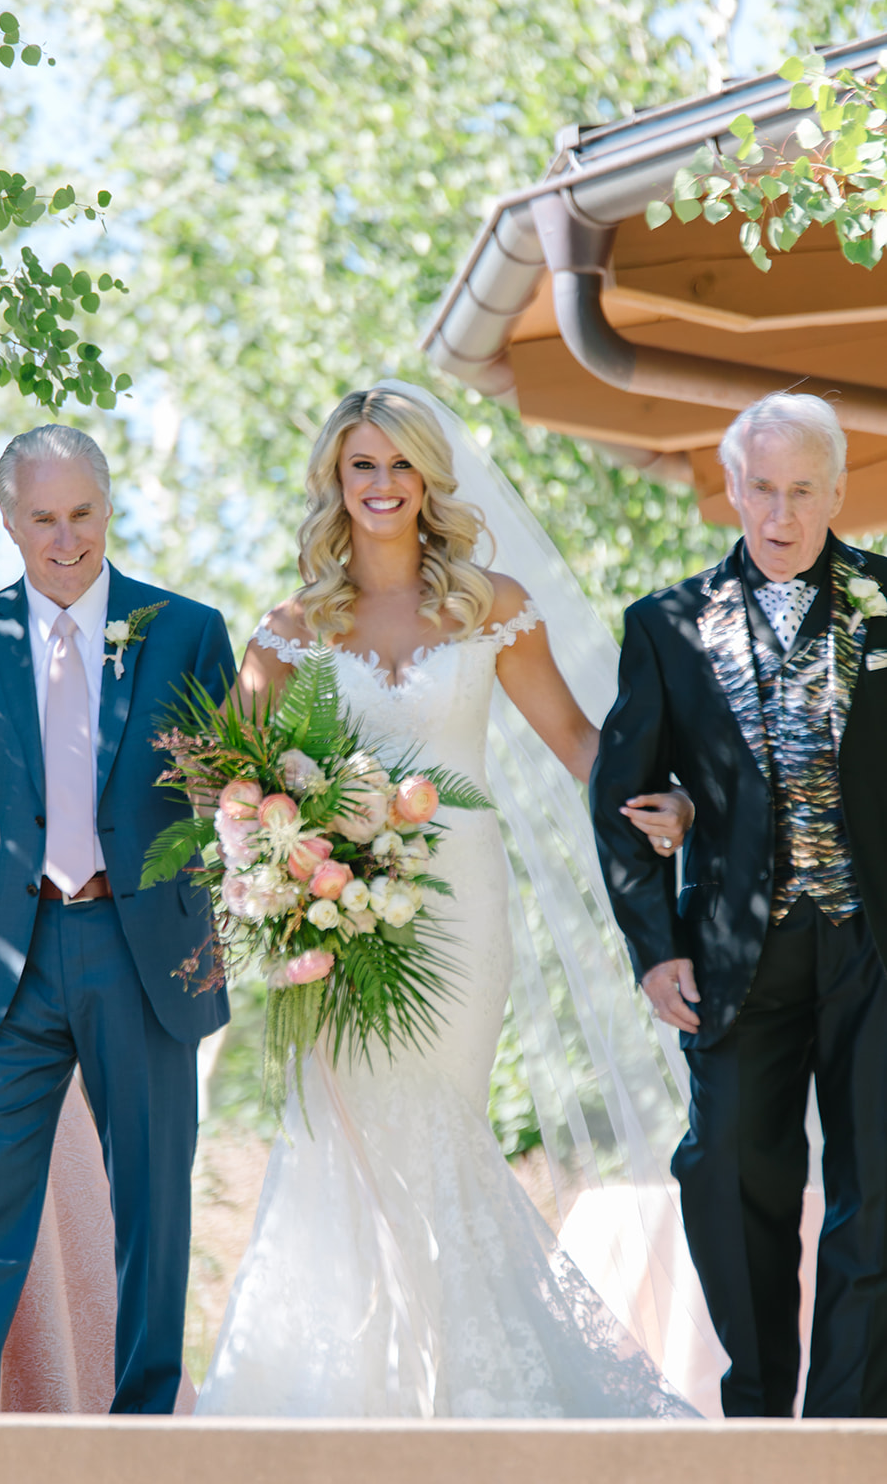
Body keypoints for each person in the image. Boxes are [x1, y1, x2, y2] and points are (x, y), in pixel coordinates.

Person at [194, 383, 696, 1419]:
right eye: (360, 466)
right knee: (338, 1139)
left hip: (458, 913)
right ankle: (356, 1391)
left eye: (398, 465)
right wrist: (269, 860)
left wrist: (661, 802)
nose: (380, 486)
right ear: (336, 482)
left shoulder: (489, 606)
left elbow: (575, 743)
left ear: (427, 479)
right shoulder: (290, 629)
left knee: (437, 1128)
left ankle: (457, 1388)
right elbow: (222, 781)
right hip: (331, 915)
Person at [0, 423, 234, 1413]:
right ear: (9, 520)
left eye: (82, 512)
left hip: (150, 953)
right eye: (43, 516)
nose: (66, 536)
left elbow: (233, 803)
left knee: (154, 1205)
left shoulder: (185, 629)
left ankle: (146, 1425)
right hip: (11, 955)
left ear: (108, 509)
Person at [591, 392, 887, 1419]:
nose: (779, 511)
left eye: (801, 489)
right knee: (722, 1171)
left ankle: (846, 1431)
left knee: (878, 1191)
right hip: (730, 946)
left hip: (871, 944)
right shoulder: (662, 625)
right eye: (760, 487)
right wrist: (651, 945)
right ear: (730, 487)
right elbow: (623, 799)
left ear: (836, 492)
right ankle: (758, 1413)